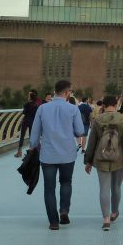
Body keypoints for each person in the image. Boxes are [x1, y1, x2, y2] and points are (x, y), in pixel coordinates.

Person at [30, 79, 85, 230]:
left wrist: (33, 146)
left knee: (49, 188)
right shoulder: (73, 109)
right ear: (67, 92)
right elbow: (80, 131)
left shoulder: (42, 109)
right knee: (66, 182)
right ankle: (64, 211)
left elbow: (34, 134)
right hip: (67, 154)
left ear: (55, 91)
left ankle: (53, 222)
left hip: (47, 155)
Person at [84, 95, 123, 231]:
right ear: (116, 105)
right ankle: (114, 212)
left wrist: (88, 161)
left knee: (104, 188)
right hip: (120, 159)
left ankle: (106, 220)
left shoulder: (98, 120)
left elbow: (92, 142)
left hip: (101, 159)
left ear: (104, 106)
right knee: (116, 187)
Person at [15, 89, 40, 157]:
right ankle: (30, 152)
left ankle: (19, 152)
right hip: (32, 121)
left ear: (30, 97)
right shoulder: (36, 105)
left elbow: (24, 113)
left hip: (26, 121)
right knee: (31, 137)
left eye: (28, 95)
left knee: (22, 136)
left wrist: (21, 121)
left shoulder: (26, 104)